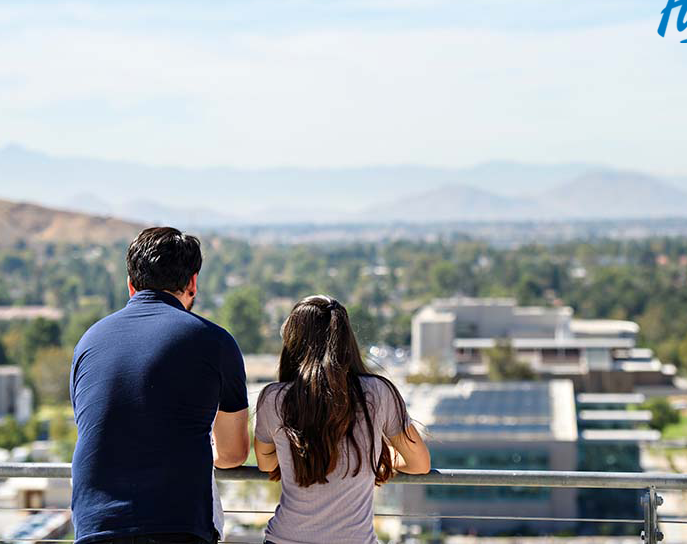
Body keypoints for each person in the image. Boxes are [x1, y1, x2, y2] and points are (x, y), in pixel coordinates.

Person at [70, 227, 250, 544]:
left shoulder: (89, 342)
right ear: (192, 282)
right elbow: (233, 453)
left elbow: (97, 426)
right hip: (177, 524)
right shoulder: (214, 341)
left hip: (96, 525)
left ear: (131, 285)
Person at [254, 295, 430, 544]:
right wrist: (375, 455)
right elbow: (419, 463)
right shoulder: (378, 392)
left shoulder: (273, 398)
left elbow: (265, 463)